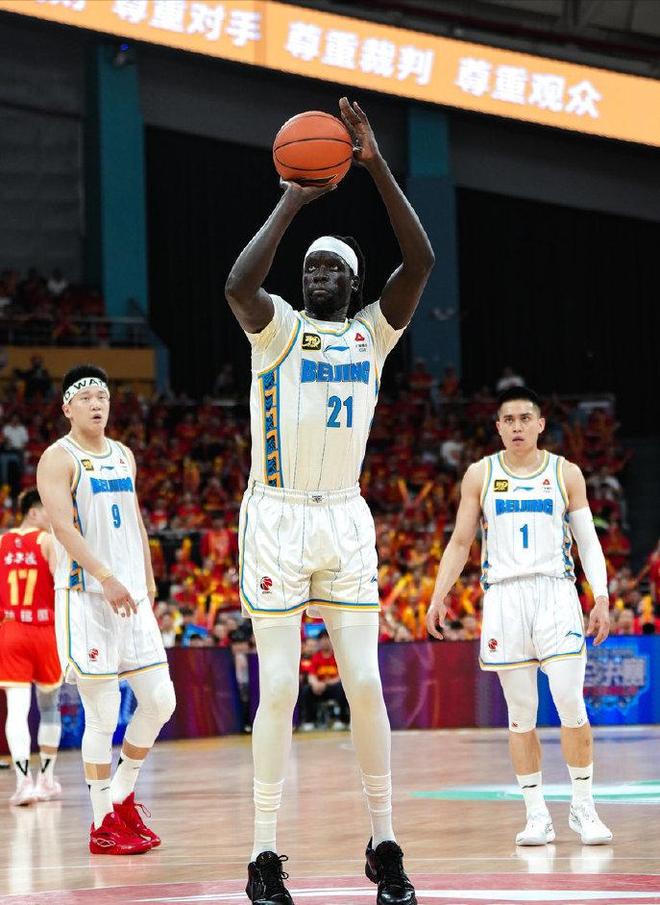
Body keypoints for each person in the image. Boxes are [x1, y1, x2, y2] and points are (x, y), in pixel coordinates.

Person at [225, 96, 433, 905]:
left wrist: (375, 166)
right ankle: (263, 852)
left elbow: (420, 261)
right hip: (276, 515)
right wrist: (293, 200)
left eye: (331, 270)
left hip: (343, 517)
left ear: (352, 283)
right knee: (279, 688)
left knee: (367, 686)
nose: (317, 276)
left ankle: (385, 841)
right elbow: (239, 282)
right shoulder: (275, 327)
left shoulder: (372, 334)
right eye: (310, 268)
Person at [427, 386, 613, 847]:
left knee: (570, 702)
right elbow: (460, 541)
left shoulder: (565, 472)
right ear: (498, 427)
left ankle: (584, 808)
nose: (516, 427)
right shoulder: (480, 474)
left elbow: (587, 541)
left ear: (540, 424)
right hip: (505, 597)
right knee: (521, 714)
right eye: (508, 420)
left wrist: (601, 596)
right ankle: (536, 816)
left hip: (555, 592)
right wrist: (438, 595)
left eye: (524, 418)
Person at [37, 364, 176, 855]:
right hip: (86, 597)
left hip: (130, 596)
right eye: (87, 397)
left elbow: (135, 520)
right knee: (103, 713)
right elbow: (63, 528)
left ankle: (122, 794)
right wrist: (106, 577)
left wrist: (148, 576)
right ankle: (102, 823)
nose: (97, 404)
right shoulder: (58, 458)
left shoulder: (122, 454)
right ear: (67, 407)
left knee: (161, 701)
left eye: (103, 396)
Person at [0, 488, 63, 805]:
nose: (53, 517)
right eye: (48, 511)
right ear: (33, 512)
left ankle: (23, 783)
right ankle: (46, 780)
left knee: (16, 709)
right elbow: (63, 587)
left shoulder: (1, 542)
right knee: (49, 707)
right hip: (45, 630)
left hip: (11, 629)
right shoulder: (48, 541)